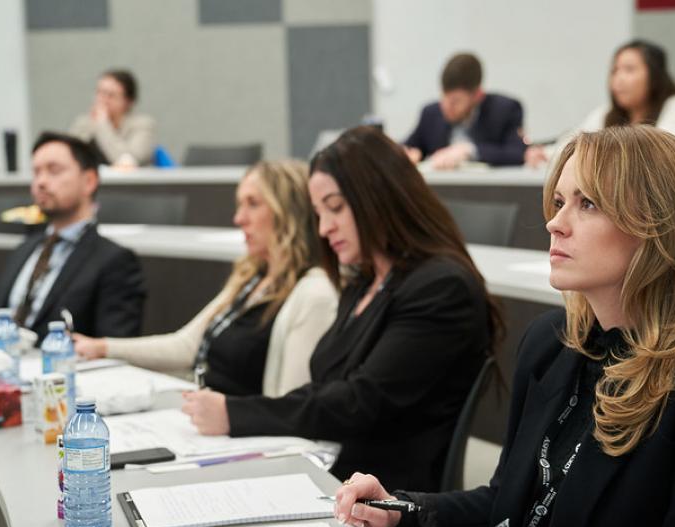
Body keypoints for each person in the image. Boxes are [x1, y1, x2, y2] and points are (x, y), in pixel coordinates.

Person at [334, 126, 675, 527]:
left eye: (587, 204)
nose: (555, 223)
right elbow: (505, 503)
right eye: (560, 201)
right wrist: (403, 510)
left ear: (659, 228)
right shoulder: (552, 344)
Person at [180, 126, 502, 491]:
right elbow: (328, 389)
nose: (323, 228)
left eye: (335, 208)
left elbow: (359, 402)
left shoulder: (441, 288)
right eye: (318, 213)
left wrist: (235, 414)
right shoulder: (367, 280)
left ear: (378, 197)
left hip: (383, 498)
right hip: (336, 476)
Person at [74, 160, 338, 397]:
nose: (239, 218)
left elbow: (290, 408)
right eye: (239, 205)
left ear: (289, 213)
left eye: (253, 204)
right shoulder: (252, 277)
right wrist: (102, 347)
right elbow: (187, 345)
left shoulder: (313, 293)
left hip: (245, 436)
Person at [0, 132, 146, 342]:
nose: (41, 182)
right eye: (36, 172)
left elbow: (114, 349)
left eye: (54, 171)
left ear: (89, 181)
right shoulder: (27, 248)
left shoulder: (114, 261)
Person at [526, 40, 675, 167]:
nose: (618, 79)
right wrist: (546, 155)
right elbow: (575, 145)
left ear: (654, 76)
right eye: (615, 71)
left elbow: (666, 159)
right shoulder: (606, 113)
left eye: (629, 70)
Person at [404, 52, 526, 169]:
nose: (446, 106)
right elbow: (408, 146)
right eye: (444, 97)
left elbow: (517, 152)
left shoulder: (504, 110)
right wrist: (408, 154)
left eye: (455, 101)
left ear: (478, 96)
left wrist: (469, 150)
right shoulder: (430, 113)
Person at [69, 69, 156, 167]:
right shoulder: (84, 123)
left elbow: (127, 161)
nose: (103, 100)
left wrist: (103, 124)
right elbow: (70, 156)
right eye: (100, 93)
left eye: (111, 95)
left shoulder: (142, 125)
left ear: (128, 102)